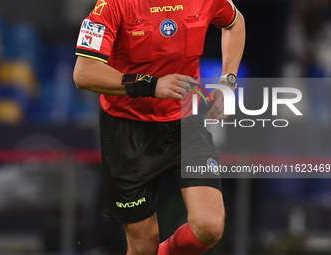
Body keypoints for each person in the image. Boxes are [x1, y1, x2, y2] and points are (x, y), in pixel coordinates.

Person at [73, 0, 245, 254]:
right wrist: (151, 84)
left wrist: (228, 81)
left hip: (185, 123)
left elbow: (234, 22)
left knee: (210, 227)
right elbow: (83, 73)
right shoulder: (112, 5)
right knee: (144, 245)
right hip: (127, 129)